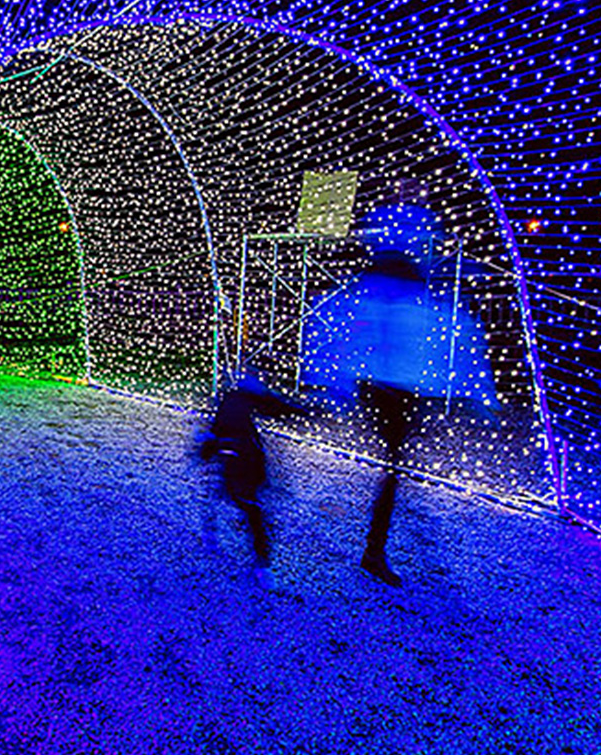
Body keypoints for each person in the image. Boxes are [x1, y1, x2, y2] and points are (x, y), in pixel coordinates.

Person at [303, 202, 498, 587]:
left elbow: (339, 329)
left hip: (389, 386)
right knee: (394, 463)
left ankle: (376, 544)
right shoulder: (398, 290)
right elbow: (454, 336)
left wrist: (334, 384)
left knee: (395, 461)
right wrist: (478, 394)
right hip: (388, 387)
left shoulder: (386, 289)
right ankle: (374, 549)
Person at [201, 368, 305, 586]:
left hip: (246, 463)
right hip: (241, 464)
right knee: (249, 507)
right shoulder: (239, 400)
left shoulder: (239, 398)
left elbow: (277, 409)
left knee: (245, 505)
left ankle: (256, 558)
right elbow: (277, 409)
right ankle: (261, 563)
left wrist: (207, 446)